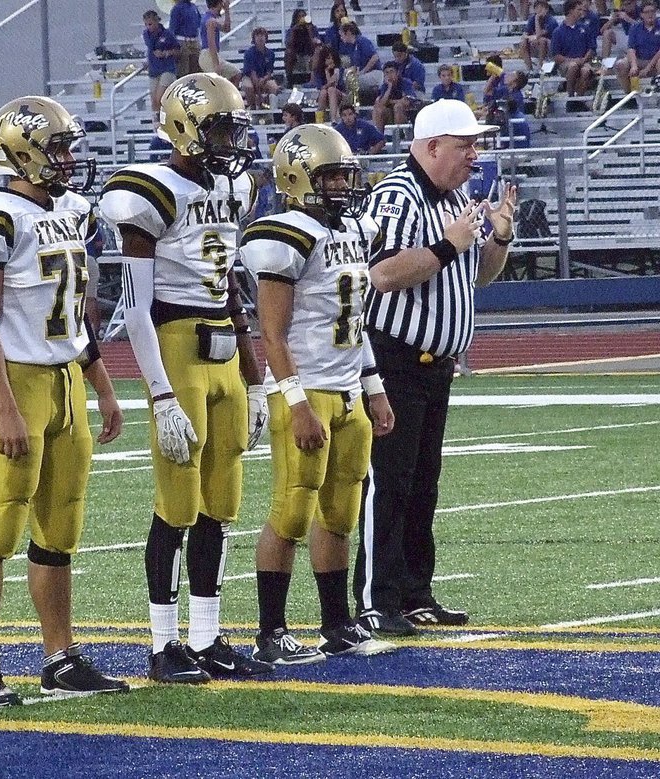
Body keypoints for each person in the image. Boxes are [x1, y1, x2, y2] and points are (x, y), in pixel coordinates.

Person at [0, 95, 129, 707]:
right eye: (59, 147)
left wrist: (102, 389)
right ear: (22, 151)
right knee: (0, 524)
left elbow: (76, 316)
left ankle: (59, 657)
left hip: (66, 379)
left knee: (60, 529)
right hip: (13, 381)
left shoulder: (71, 211)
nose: (69, 159)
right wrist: (6, 407)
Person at [98, 73, 274, 684]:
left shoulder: (237, 186)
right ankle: (162, 644)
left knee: (220, 504)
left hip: (224, 350)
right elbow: (136, 309)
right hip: (174, 346)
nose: (231, 140)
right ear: (183, 129)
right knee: (176, 504)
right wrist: (162, 395)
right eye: (219, 127)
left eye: (234, 127)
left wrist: (256, 381)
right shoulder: (151, 193)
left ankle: (207, 636)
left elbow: (231, 289)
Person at [353, 99, 517, 637]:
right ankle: (377, 599)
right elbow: (380, 275)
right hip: (393, 360)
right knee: (389, 481)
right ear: (431, 147)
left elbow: (480, 277)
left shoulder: (458, 197)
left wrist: (498, 238)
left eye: (476, 144)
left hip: (435, 365)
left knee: (423, 484)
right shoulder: (396, 195)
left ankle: (415, 592)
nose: (476, 154)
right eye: (465, 144)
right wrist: (449, 244)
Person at [240, 124, 396, 665]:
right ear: (297, 177)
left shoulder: (352, 228)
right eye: (329, 175)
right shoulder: (284, 235)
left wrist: (374, 386)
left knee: (339, 515)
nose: (341, 186)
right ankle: (271, 632)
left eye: (344, 175)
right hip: (305, 392)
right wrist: (296, 401)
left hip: (349, 389)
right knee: (289, 513)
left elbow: (353, 322)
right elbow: (272, 334)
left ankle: (336, 623)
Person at [551, 0, 596, 96]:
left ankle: (578, 98)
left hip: (584, 61)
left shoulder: (585, 28)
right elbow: (556, 55)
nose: (581, 12)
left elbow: (592, 48)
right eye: (578, 9)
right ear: (570, 11)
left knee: (585, 71)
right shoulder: (558, 32)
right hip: (567, 63)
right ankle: (570, 95)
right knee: (573, 66)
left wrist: (584, 59)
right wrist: (573, 60)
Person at [615, 2, 660, 93]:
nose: (650, 14)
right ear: (641, 14)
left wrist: (648, 68)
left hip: (656, 59)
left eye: (652, 11)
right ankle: (629, 95)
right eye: (647, 12)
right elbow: (631, 48)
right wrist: (634, 65)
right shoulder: (635, 27)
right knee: (620, 64)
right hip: (640, 59)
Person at [144, 10, 180, 120]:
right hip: (154, 70)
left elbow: (178, 50)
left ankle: (166, 119)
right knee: (154, 100)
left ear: (156, 22)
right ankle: (157, 122)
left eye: (150, 24)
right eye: (146, 25)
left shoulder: (167, 34)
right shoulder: (146, 35)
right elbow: (151, 49)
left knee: (159, 97)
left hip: (167, 68)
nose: (148, 27)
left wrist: (166, 53)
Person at [200, 0, 242, 86]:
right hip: (208, 54)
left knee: (235, 74)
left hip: (210, 54)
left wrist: (227, 11)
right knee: (216, 81)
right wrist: (216, 64)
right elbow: (211, 43)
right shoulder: (210, 21)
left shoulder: (211, 19)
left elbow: (227, 28)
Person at [339, 21, 383, 96]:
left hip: (375, 73)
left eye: (342, 34)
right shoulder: (351, 47)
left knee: (352, 81)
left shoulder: (362, 41)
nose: (341, 37)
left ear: (348, 33)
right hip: (365, 73)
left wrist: (363, 71)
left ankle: (353, 102)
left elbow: (374, 57)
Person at [241, 27, 280, 110]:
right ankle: (253, 107)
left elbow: (269, 72)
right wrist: (259, 94)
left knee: (274, 87)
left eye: (262, 35)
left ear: (266, 38)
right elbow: (252, 73)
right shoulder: (249, 53)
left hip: (264, 77)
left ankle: (272, 109)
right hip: (249, 77)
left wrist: (264, 79)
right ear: (254, 38)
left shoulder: (271, 54)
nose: (260, 37)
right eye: (257, 35)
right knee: (248, 87)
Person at [372, 61, 416, 131]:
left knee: (398, 106)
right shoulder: (385, 86)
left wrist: (390, 101)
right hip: (390, 114)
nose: (389, 75)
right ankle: (379, 136)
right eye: (387, 73)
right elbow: (382, 103)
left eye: (391, 72)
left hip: (405, 114)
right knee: (378, 110)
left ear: (397, 73)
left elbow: (407, 101)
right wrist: (389, 87)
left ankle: (399, 135)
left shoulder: (406, 82)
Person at [284, 9, 321, 88]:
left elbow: (316, 44)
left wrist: (309, 31)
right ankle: (289, 79)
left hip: (309, 54)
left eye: (303, 16)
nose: (301, 18)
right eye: (299, 17)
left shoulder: (313, 29)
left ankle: (314, 79)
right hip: (296, 56)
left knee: (317, 52)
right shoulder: (292, 30)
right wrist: (294, 31)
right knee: (288, 53)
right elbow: (288, 45)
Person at [521, 0, 559, 73]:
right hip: (536, 45)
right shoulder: (532, 19)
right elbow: (525, 35)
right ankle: (530, 70)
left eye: (542, 8)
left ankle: (541, 67)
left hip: (551, 46)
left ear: (546, 9)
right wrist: (530, 38)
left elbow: (539, 34)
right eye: (537, 8)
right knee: (523, 42)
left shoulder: (551, 20)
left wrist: (536, 20)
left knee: (542, 40)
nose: (539, 10)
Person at [313, 46, 347, 122]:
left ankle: (334, 119)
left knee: (331, 90)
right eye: (328, 58)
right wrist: (327, 73)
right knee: (324, 92)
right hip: (324, 95)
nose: (331, 60)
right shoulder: (319, 71)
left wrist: (332, 79)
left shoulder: (340, 70)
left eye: (332, 58)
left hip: (340, 94)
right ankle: (320, 119)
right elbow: (320, 87)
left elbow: (340, 85)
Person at [169, 0, 202, 77]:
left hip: (194, 40)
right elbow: (173, 28)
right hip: (182, 41)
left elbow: (198, 22)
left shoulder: (194, 7)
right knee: (183, 70)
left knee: (197, 69)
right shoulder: (177, 8)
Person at [85, 222, 106, 338]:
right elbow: (100, 242)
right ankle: (94, 331)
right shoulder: (89, 221)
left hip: (70, 258)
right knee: (90, 298)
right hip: (88, 257)